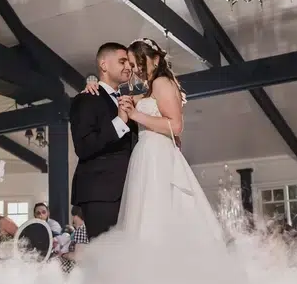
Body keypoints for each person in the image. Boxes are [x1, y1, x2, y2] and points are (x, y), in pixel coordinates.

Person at [82, 38, 223, 243]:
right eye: (131, 64)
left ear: (155, 58)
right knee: (145, 213)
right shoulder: (150, 88)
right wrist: (92, 84)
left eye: (138, 62)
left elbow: (176, 126)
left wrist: (136, 116)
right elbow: (119, 101)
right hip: (146, 155)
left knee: (158, 211)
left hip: (157, 155)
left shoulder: (161, 82)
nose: (135, 69)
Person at [69, 42, 137, 239]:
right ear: (104, 65)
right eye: (122, 61)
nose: (128, 67)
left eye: (130, 63)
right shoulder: (86, 99)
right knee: (106, 258)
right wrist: (119, 122)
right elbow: (83, 146)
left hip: (129, 189)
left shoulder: (127, 100)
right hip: (101, 192)